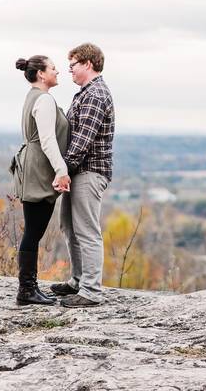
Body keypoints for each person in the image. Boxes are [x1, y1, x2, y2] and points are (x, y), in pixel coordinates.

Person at [50, 42, 115, 308]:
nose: (70, 71)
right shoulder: (84, 93)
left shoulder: (95, 95)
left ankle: (91, 291)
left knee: (87, 231)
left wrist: (62, 171)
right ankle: (77, 280)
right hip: (78, 172)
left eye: (73, 66)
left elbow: (81, 142)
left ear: (88, 64)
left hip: (88, 172)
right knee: (69, 226)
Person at [13, 55, 70, 306]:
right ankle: (27, 289)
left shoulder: (32, 97)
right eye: (53, 68)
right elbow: (47, 140)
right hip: (39, 170)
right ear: (41, 74)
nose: (58, 71)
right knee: (34, 231)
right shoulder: (44, 99)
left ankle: (28, 287)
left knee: (33, 230)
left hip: (30, 166)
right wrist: (61, 170)